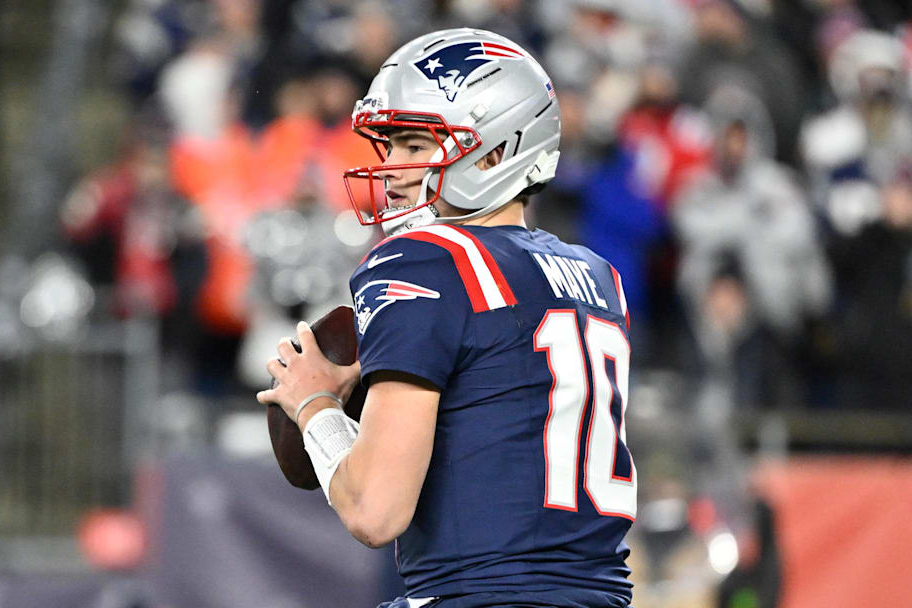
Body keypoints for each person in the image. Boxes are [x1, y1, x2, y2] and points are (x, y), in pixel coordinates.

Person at [257, 28, 636, 608]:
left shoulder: (426, 262)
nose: (393, 171)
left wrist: (315, 405)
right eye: (390, 148)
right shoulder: (598, 277)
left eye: (415, 145)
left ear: (494, 152)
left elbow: (374, 510)